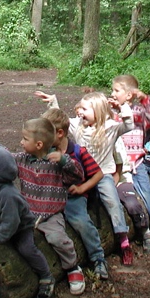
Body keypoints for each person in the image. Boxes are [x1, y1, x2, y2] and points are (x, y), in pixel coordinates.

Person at [0, 119, 87, 295]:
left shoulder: (55, 162)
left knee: (58, 239)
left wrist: (64, 160)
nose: (21, 142)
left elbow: (79, 175)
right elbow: (2, 158)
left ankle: (73, 268)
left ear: (39, 144)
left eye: (25, 139)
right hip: (27, 214)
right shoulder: (23, 159)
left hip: (50, 215)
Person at [37, 91, 137, 265]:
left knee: (112, 202)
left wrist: (123, 108)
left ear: (98, 111)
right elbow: (61, 123)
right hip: (80, 174)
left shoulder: (111, 128)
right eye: (80, 107)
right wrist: (53, 102)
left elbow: (128, 125)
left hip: (103, 174)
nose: (79, 111)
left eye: (84, 108)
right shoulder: (78, 126)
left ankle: (123, 239)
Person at [0, 146, 55, 298]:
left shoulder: (8, 195)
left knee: (26, 249)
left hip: (20, 229)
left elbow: (11, 222)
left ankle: (46, 277)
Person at [41, 108, 110, 280]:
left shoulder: (79, 152)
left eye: (46, 134)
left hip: (73, 198)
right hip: (51, 198)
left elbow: (98, 174)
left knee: (81, 222)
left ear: (60, 133)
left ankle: (98, 257)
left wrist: (81, 188)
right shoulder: (46, 152)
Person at [109, 75, 150, 246]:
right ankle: (140, 232)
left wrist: (144, 98)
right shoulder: (113, 114)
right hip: (117, 166)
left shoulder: (138, 113)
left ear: (129, 95)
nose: (113, 93)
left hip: (136, 164)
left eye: (117, 90)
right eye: (113, 90)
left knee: (147, 192)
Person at [113, 137, 150, 253]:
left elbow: (120, 164)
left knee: (131, 203)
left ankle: (145, 230)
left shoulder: (113, 134)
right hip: (97, 180)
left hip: (120, 176)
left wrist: (114, 181)